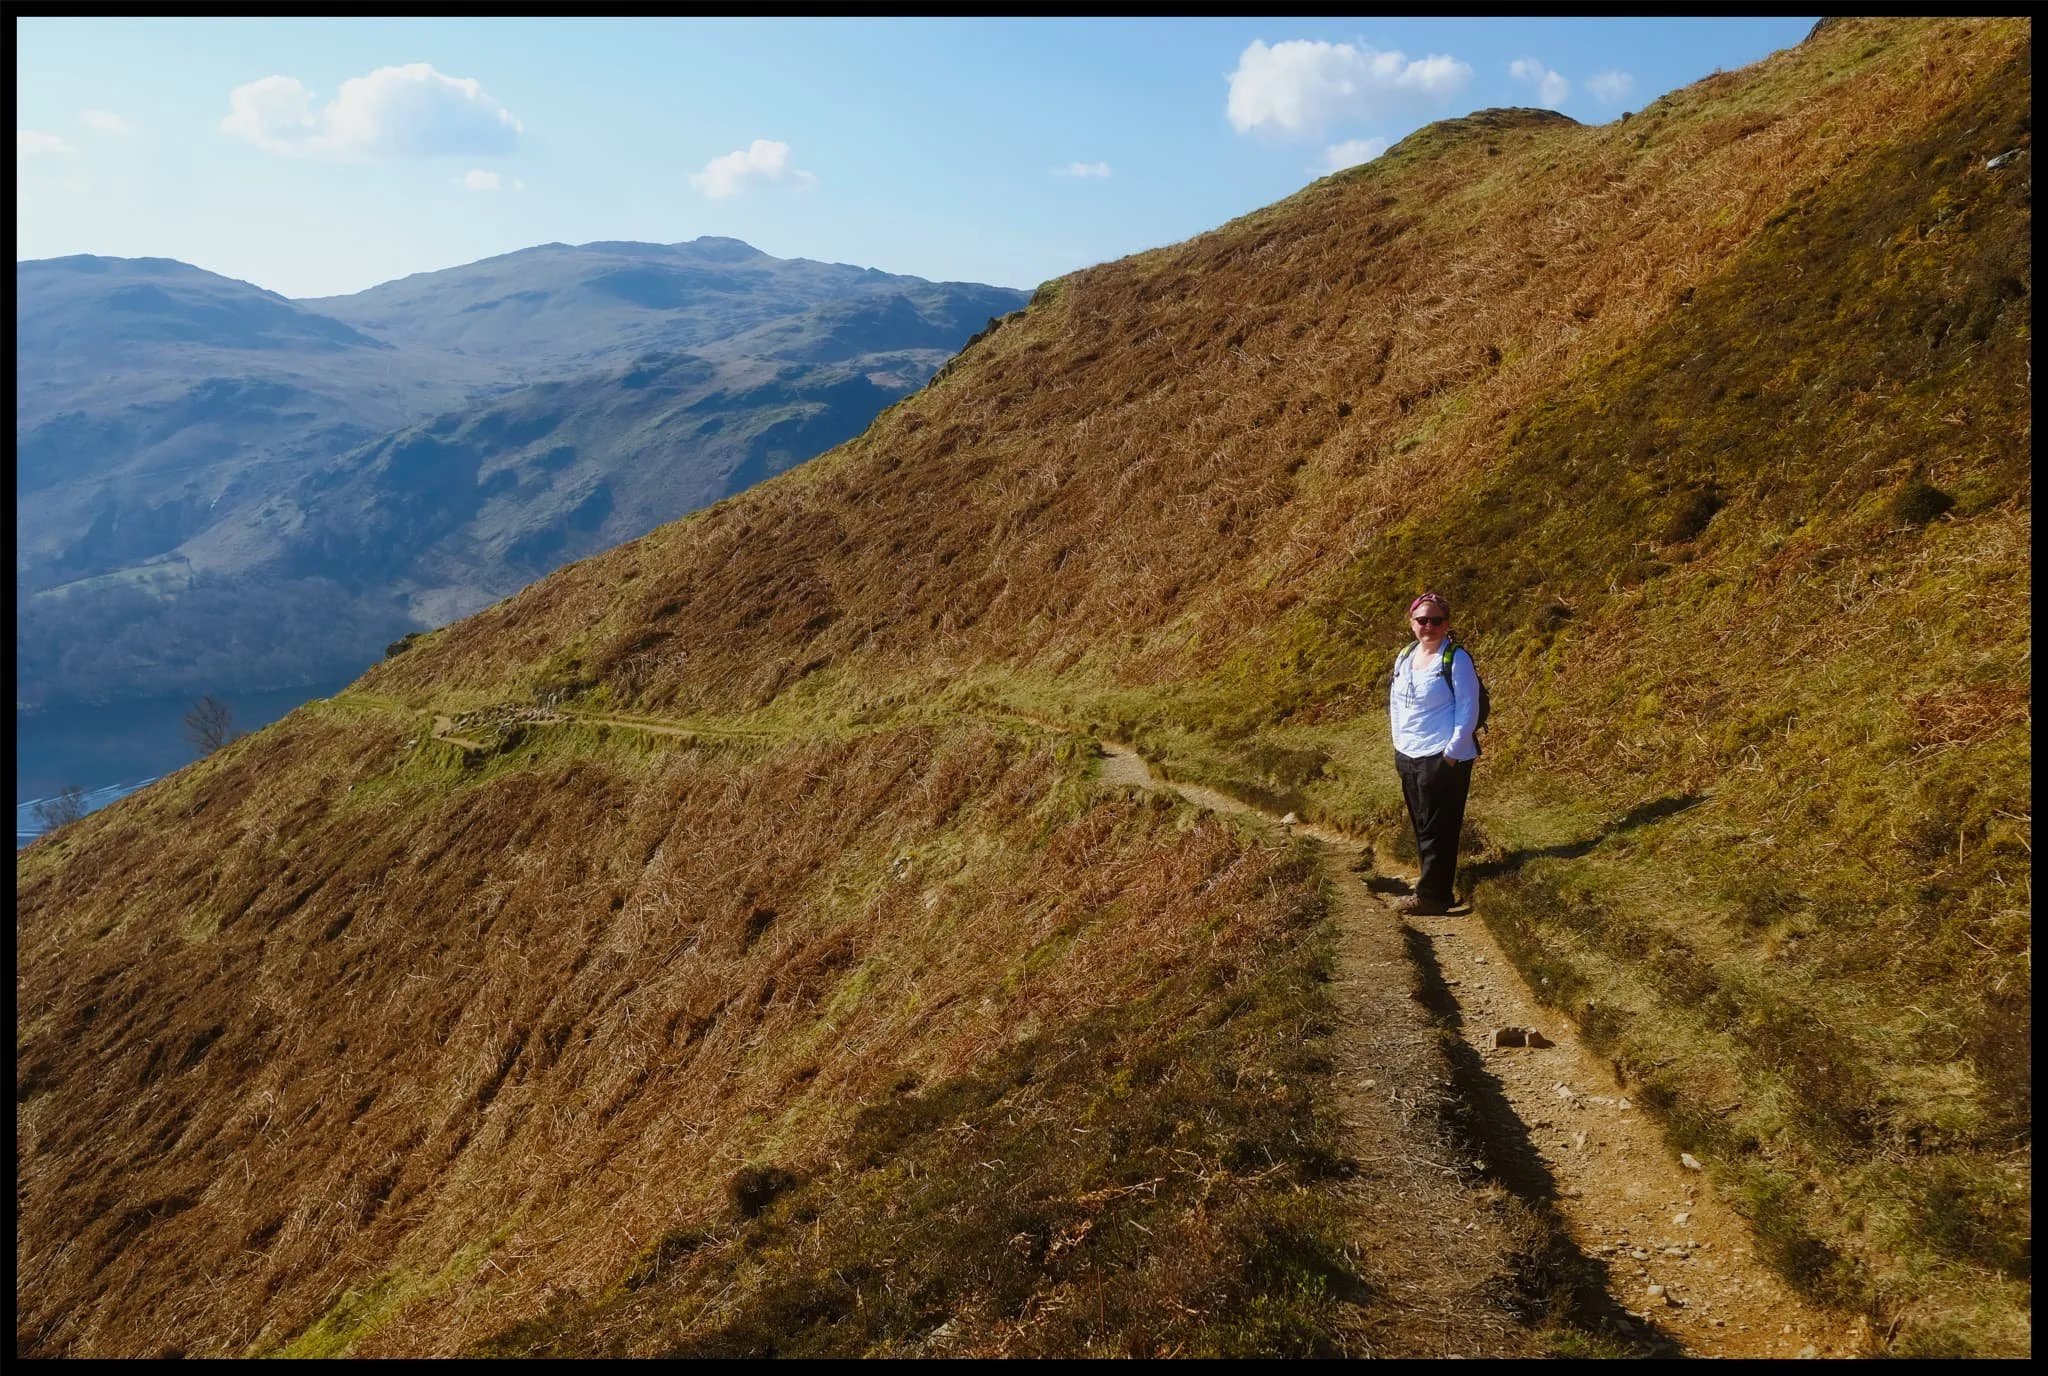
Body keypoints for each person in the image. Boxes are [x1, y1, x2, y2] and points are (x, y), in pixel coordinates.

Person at [1387, 591, 1480, 916]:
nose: (1429, 626)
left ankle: (1434, 896)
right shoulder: (1406, 655)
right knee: (1422, 822)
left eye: (1436, 620)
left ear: (1447, 623)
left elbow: (1469, 710)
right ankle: (1430, 882)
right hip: (1409, 754)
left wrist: (1451, 755)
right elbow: (1396, 704)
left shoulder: (1456, 658)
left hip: (1443, 756)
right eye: (1422, 620)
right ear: (1412, 623)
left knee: (1439, 826)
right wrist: (1399, 745)